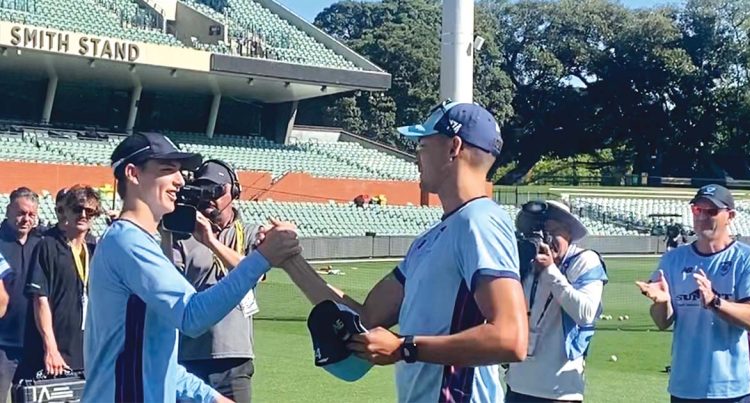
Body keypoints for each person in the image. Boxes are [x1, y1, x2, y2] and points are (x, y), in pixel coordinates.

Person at [280, 101, 529, 402]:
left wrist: (405, 348)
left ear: (454, 147)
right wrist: (291, 260)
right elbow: (368, 317)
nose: (416, 157)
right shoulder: (431, 238)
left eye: (422, 145)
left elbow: (510, 338)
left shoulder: (480, 221)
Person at [82, 132, 302, 403]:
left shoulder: (138, 242)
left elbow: (159, 365)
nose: (180, 180)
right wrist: (263, 257)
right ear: (133, 174)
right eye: (167, 170)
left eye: (180, 172)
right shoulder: (128, 242)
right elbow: (191, 315)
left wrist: (214, 399)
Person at [636, 184, 750, 402]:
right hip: (684, 387)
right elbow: (662, 322)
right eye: (698, 210)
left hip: (731, 389)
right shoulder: (673, 260)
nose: (703, 217)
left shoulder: (748, 259)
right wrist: (661, 302)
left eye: (712, 211)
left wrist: (715, 302)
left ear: (730, 216)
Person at [161, 159, 263, 402]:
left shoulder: (250, 232)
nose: (209, 198)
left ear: (234, 192)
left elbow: (255, 273)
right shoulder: (182, 234)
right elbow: (168, 281)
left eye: (217, 190)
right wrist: (166, 232)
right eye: (203, 190)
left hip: (234, 356)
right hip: (189, 354)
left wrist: (211, 242)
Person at [505, 200, 607, 402]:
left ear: (569, 233)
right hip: (517, 383)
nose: (546, 240)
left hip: (560, 390)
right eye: (540, 233)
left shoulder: (584, 260)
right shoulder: (525, 262)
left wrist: (551, 271)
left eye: (552, 231)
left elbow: (585, 314)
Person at [16, 185, 102, 381]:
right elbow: (40, 300)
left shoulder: (94, 249)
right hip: (54, 355)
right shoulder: (47, 245)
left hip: (86, 352)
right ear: (65, 212)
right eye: (77, 209)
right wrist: (51, 348)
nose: (83, 215)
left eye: (89, 211)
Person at [0, 187, 42, 402]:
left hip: (34, 344)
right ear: (7, 211)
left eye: (31, 214)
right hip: (2, 345)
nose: (26, 219)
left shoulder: (42, 244)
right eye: (21, 213)